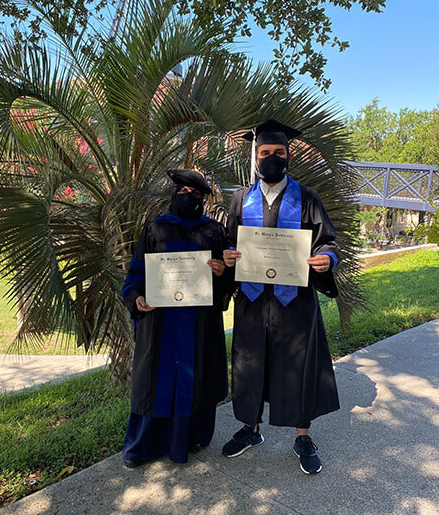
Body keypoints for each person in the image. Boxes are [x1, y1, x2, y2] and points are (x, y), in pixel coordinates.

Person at [222, 119, 340, 474]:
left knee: (298, 367)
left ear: (289, 156)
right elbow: (229, 241)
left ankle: (302, 436)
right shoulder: (241, 199)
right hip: (253, 302)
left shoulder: (307, 198)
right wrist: (228, 255)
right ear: (255, 157)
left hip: (295, 302)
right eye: (265, 153)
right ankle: (250, 429)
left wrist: (326, 259)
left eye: (278, 153)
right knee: (249, 365)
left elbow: (329, 242)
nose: (271, 158)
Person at [121, 169, 229, 467]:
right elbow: (137, 270)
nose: (188, 197)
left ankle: (190, 440)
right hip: (160, 322)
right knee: (155, 379)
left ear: (204, 200)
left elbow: (227, 281)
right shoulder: (155, 228)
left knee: (196, 379)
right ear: (172, 193)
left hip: (199, 323)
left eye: (196, 194)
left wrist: (222, 272)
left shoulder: (213, 231)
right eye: (182, 190)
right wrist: (135, 297)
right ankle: (145, 445)